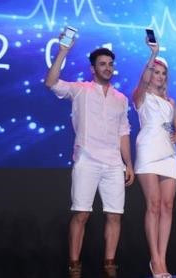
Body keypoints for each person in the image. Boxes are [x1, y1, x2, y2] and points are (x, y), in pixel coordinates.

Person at [44, 34, 134, 278]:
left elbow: (123, 132)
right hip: (87, 159)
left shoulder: (121, 99)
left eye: (110, 64)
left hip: (114, 163)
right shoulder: (80, 90)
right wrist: (63, 51)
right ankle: (74, 266)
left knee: (115, 215)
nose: (108, 68)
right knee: (81, 213)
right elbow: (51, 82)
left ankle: (110, 266)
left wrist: (128, 164)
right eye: (102, 64)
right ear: (93, 69)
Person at [133, 39, 176, 278]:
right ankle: (154, 259)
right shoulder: (141, 96)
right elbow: (142, 81)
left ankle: (163, 258)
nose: (159, 76)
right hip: (148, 150)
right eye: (156, 72)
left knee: (167, 206)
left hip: (168, 154)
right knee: (153, 205)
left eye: (163, 73)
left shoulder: (170, 102)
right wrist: (153, 54)